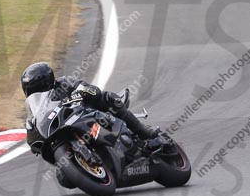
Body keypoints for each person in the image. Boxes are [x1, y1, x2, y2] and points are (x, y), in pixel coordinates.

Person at [21, 62, 162, 155]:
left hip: (90, 114)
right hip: (65, 131)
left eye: (35, 89)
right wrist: (35, 141)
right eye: (30, 90)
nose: (34, 93)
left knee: (108, 98)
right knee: (64, 179)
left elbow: (92, 90)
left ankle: (144, 132)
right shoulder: (37, 111)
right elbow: (33, 138)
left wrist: (81, 91)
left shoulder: (63, 83)